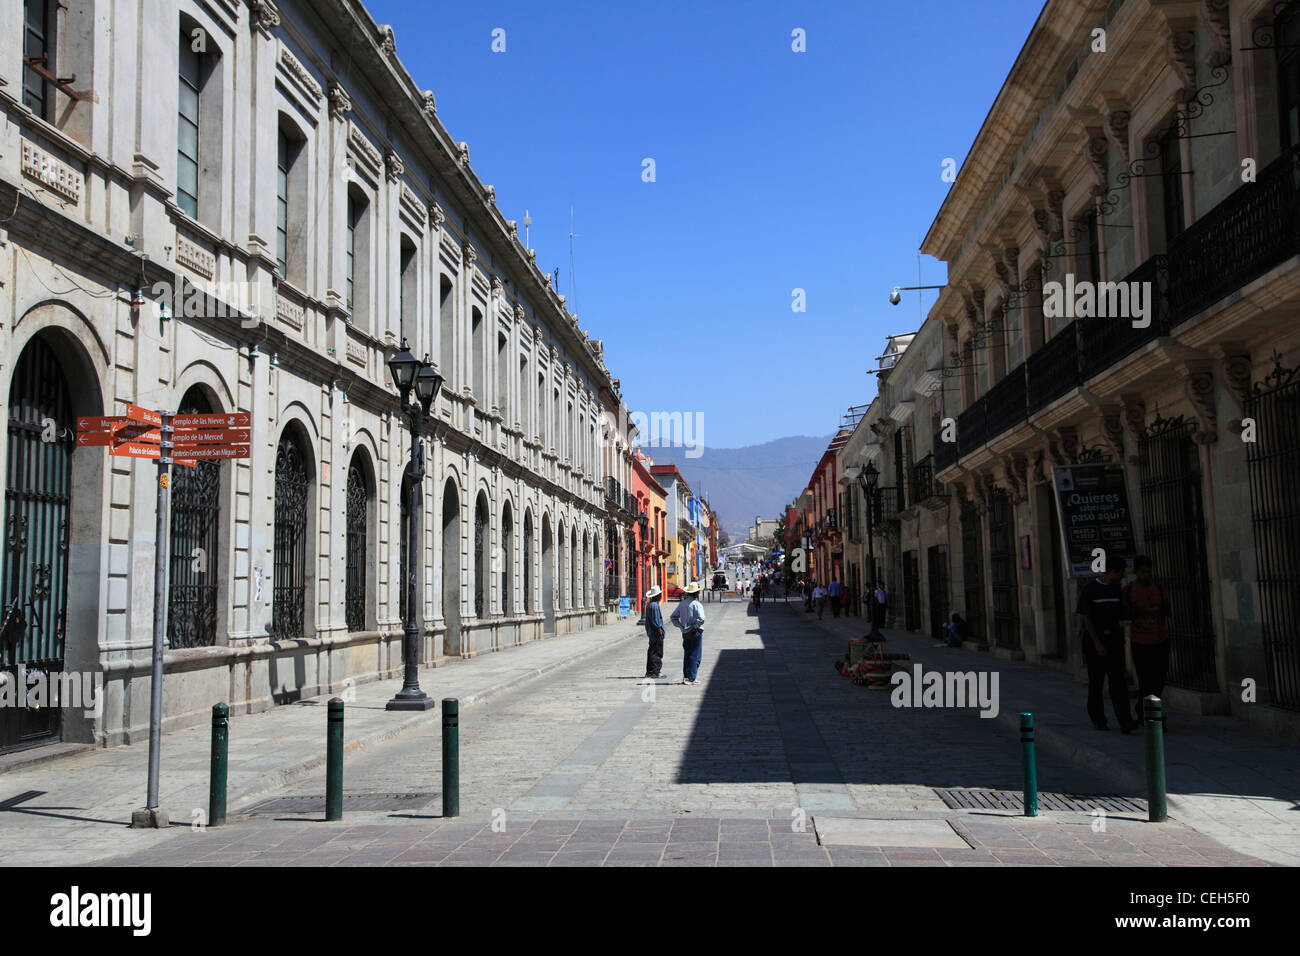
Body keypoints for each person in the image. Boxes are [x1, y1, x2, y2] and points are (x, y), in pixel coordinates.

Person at [1078, 556, 1137, 733]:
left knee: (1118, 682)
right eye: (1121, 573)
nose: (1122, 576)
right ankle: (1098, 719)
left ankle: (1125, 720)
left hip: (1114, 642)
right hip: (1094, 642)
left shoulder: (1116, 590)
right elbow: (1086, 618)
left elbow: (1121, 613)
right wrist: (1097, 643)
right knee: (1096, 682)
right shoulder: (1090, 589)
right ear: (1114, 571)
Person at [1124, 555, 1171, 725]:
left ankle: (1144, 708)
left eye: (1148, 572)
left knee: (1159, 679)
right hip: (1140, 641)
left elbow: (1168, 610)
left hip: (1160, 639)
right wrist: (1142, 611)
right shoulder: (1129, 590)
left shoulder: (1159, 587)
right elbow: (1126, 615)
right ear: (1136, 572)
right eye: (1143, 572)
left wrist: (1158, 610)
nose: (1146, 575)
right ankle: (1152, 715)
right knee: (1145, 680)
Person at [670, 581, 706, 685]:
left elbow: (673, 617)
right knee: (695, 655)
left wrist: (681, 626)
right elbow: (702, 619)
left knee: (687, 654)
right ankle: (692, 677)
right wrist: (694, 627)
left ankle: (686, 676)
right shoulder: (697, 604)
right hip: (695, 632)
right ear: (696, 593)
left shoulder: (682, 604)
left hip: (685, 632)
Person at [643, 586, 665, 679]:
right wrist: (659, 629)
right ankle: (655, 671)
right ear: (657, 595)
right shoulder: (655, 605)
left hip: (651, 633)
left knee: (651, 651)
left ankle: (650, 671)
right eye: (660, 594)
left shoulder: (650, 604)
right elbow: (656, 620)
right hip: (656, 633)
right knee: (657, 652)